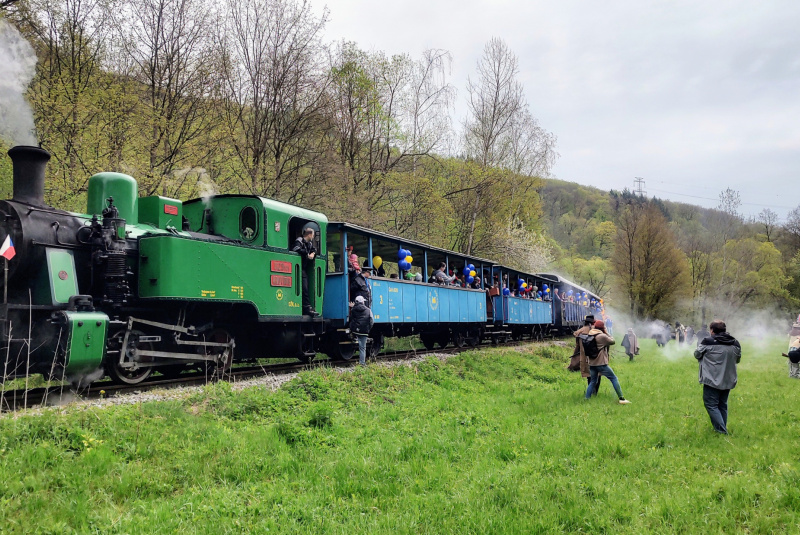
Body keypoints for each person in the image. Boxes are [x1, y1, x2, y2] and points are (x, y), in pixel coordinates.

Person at [694, 320, 741, 434]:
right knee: (722, 405)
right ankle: (721, 428)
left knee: (711, 404)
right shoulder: (735, 343)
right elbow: (738, 360)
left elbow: (697, 354)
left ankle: (721, 431)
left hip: (711, 378)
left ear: (712, 330)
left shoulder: (708, 342)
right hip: (728, 378)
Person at [584, 320, 631, 404]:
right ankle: (622, 398)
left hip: (592, 363)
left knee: (593, 381)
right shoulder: (602, 336)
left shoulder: (590, 334)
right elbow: (612, 341)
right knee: (613, 378)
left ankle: (587, 398)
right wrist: (607, 332)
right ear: (602, 327)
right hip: (601, 363)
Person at [292, 227, 318, 316]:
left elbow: (314, 250)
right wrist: (307, 254)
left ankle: (307, 307)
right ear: (310, 234)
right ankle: (306, 308)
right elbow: (296, 249)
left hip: (303, 268)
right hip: (297, 269)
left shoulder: (309, 244)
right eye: (313, 235)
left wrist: (313, 253)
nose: (313, 237)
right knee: (304, 289)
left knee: (305, 289)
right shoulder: (299, 241)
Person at [349, 295, 374, 366]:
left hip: (356, 331)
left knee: (359, 344)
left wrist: (352, 328)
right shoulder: (368, 310)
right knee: (362, 348)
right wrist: (369, 328)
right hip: (364, 331)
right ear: (362, 302)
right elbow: (371, 320)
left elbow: (351, 319)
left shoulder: (353, 309)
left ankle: (352, 338)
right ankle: (362, 363)